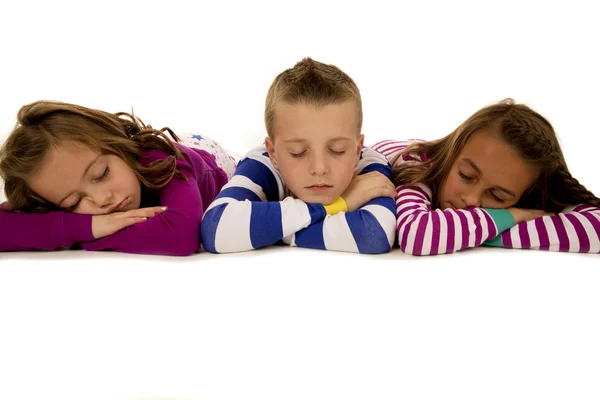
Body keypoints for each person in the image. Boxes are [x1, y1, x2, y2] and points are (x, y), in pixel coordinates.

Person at [201, 57, 397, 254]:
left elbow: (375, 233)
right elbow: (215, 228)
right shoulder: (261, 162)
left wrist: (266, 233)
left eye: (338, 150)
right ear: (273, 152)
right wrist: (340, 204)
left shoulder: (369, 165)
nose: (319, 168)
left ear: (357, 150)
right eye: (298, 153)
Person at [0, 101, 236, 255]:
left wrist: (84, 238)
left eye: (101, 174)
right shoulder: (59, 187)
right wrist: (83, 225)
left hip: (212, 160)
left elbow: (183, 235)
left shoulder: (161, 160)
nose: (102, 199)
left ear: (120, 146)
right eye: (74, 203)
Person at [372, 98, 600, 255]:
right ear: (453, 153)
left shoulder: (527, 190)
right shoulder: (415, 165)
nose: (471, 200)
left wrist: (468, 232)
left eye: (498, 196)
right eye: (466, 175)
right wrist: (509, 217)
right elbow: (417, 235)